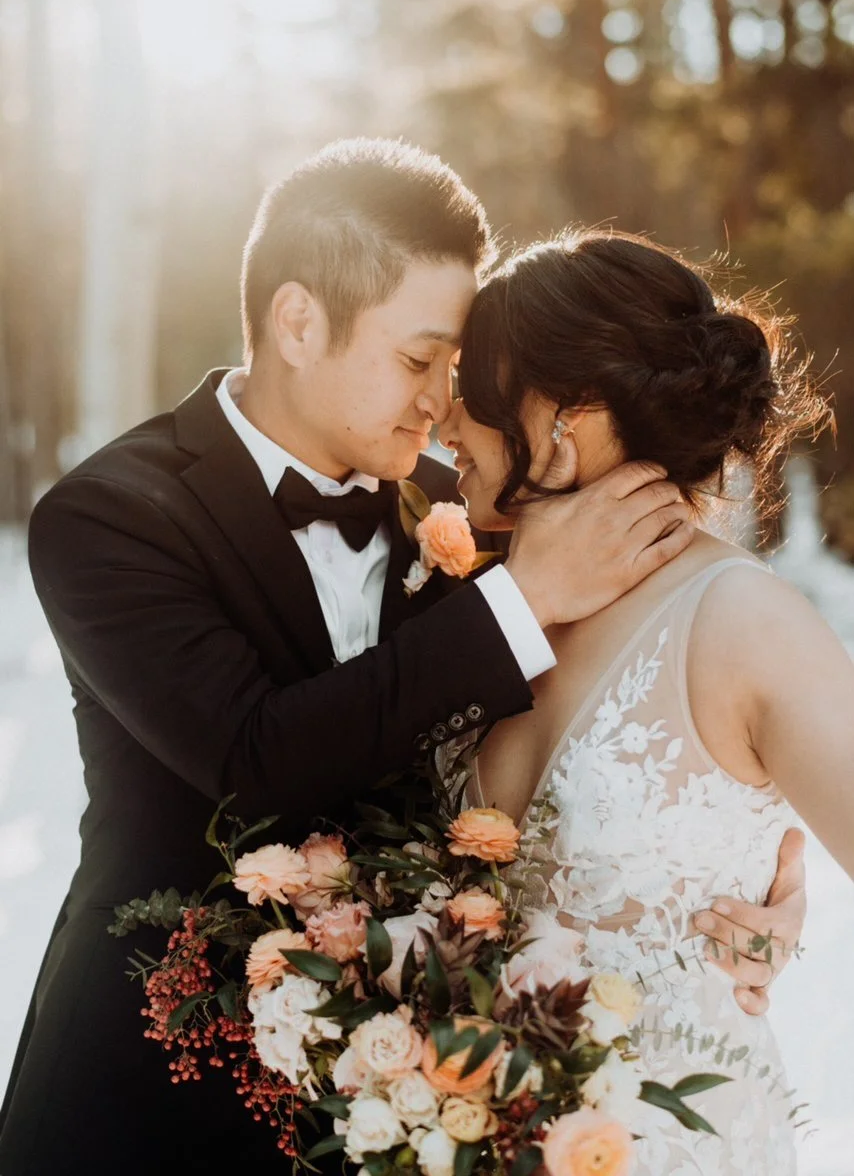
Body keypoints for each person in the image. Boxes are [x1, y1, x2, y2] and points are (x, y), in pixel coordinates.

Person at [0, 141, 800, 1175]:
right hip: (152, 1092)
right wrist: (520, 598)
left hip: (413, 1106)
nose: (439, 400)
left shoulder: (471, 493)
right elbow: (254, 764)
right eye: (418, 358)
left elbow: (621, 700)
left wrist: (728, 889)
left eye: (455, 368)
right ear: (297, 321)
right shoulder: (109, 516)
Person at [437, 227, 848, 1173]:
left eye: (476, 396)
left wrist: (775, 913)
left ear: (564, 421)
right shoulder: (478, 606)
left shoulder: (741, 619)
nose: (445, 426)